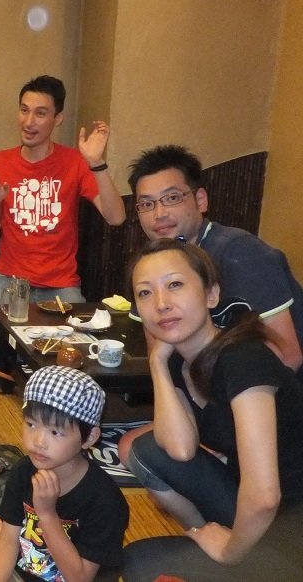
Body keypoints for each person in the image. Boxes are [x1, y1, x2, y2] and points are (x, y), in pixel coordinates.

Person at [121, 239, 303, 581]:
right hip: (258, 511)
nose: (161, 303)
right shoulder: (178, 360)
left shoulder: (243, 360)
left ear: (211, 295)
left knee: (140, 566)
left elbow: (264, 496)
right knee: (145, 451)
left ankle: (235, 558)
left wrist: (228, 552)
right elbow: (179, 448)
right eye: (145, 293)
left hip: (291, 525)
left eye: (175, 284)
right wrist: (157, 363)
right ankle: (216, 545)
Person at [0, 365, 128, 582]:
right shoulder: (24, 470)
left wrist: (47, 515)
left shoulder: (105, 500)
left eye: (55, 432)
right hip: (18, 570)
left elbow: (80, 578)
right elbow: (9, 541)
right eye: (31, 424)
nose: (39, 441)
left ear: (89, 437)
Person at [0, 75, 126, 362]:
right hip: (10, 280)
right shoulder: (0, 161)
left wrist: (96, 163)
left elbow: (117, 217)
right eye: (24, 110)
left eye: (40, 113)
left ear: (58, 118)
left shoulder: (74, 162)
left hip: (60, 283)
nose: (28, 121)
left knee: (72, 360)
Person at [127, 144, 303, 373]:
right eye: (147, 204)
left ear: (200, 200)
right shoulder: (152, 264)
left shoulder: (240, 253)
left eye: (171, 198)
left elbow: (287, 356)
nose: (159, 214)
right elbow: (160, 356)